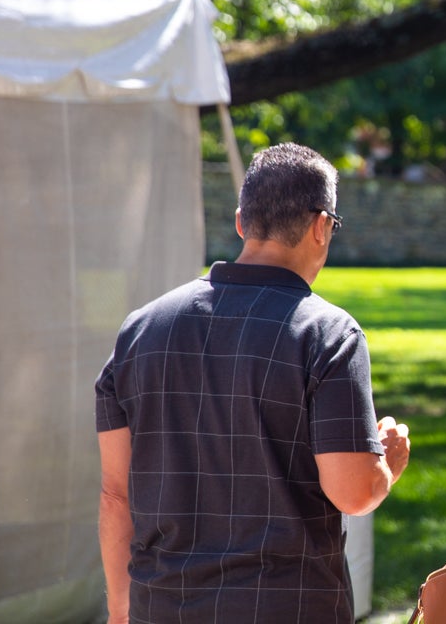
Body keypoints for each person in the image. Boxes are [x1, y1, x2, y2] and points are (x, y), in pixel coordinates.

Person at [95, 143, 410, 624]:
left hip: (162, 606)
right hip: (289, 607)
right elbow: (353, 493)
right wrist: (385, 465)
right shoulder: (328, 334)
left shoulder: (140, 329)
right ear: (322, 225)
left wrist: (121, 611)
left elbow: (116, 496)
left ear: (242, 222)